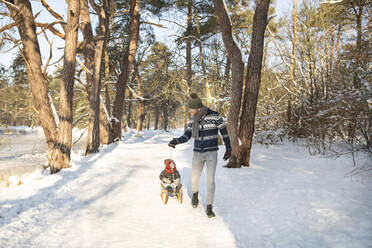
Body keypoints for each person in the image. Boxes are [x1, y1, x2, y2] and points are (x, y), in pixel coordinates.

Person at [168, 93, 231, 218]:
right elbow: (187, 135)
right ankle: (195, 194)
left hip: (211, 153)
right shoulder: (193, 119)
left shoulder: (215, 115)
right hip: (197, 153)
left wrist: (229, 147)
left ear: (196, 107)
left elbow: (224, 132)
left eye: (191, 109)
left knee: (210, 181)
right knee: (194, 179)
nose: (190, 111)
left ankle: (209, 207)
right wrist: (176, 140)